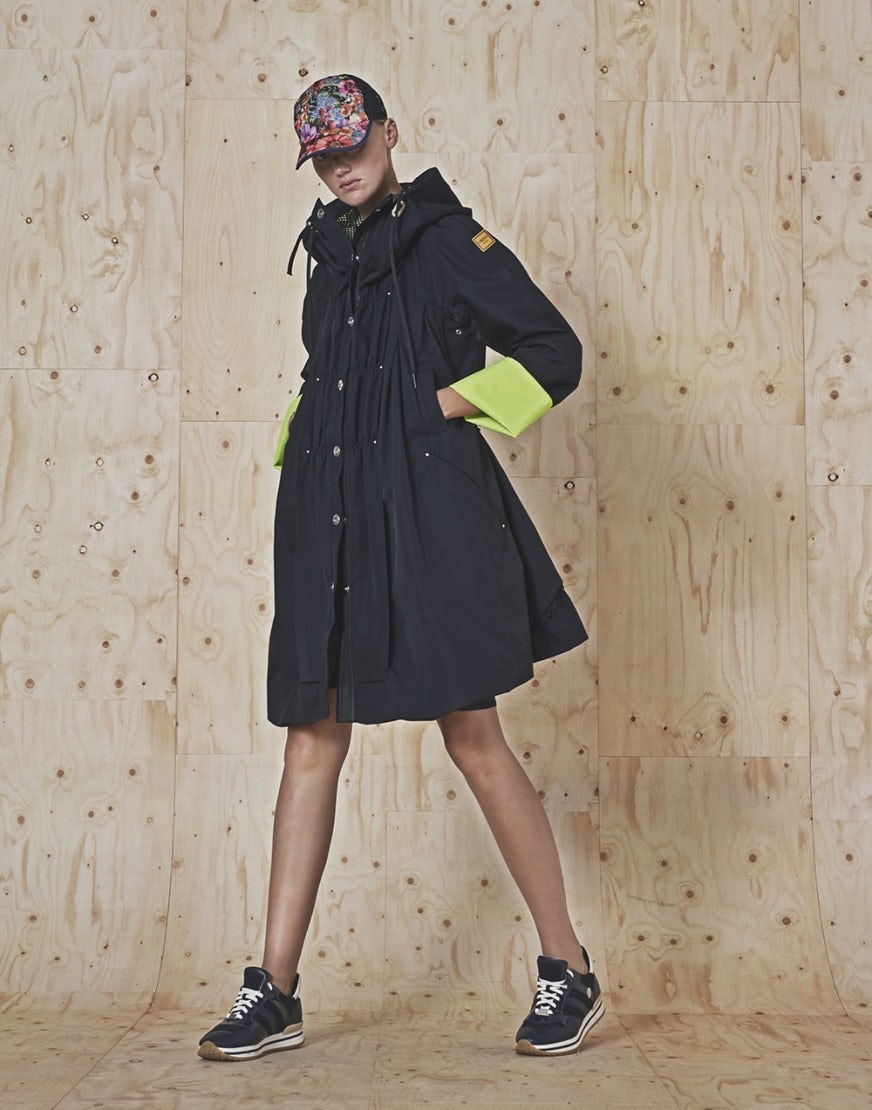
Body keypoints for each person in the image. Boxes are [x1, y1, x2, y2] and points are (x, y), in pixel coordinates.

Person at [198, 74, 603, 1062]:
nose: (341, 168)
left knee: (471, 733)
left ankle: (568, 967)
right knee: (310, 735)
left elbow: (553, 350)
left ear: (388, 132)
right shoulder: (324, 253)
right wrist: (301, 460)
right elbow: (324, 377)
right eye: (324, 156)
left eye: (353, 145)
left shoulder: (446, 240)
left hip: (426, 514)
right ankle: (273, 989)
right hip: (329, 515)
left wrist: (439, 405)